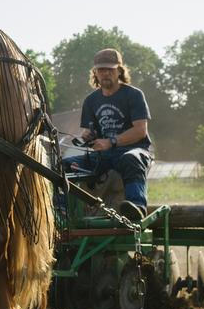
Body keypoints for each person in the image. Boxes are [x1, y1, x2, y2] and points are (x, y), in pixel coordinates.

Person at [63, 48, 152, 220]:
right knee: (66, 165)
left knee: (130, 158)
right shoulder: (91, 101)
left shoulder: (133, 95)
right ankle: (62, 209)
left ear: (119, 70)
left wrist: (111, 141)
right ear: (95, 72)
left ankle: (137, 207)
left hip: (134, 151)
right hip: (103, 155)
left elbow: (140, 131)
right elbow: (89, 131)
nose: (105, 73)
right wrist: (88, 136)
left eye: (110, 69)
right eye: (101, 70)